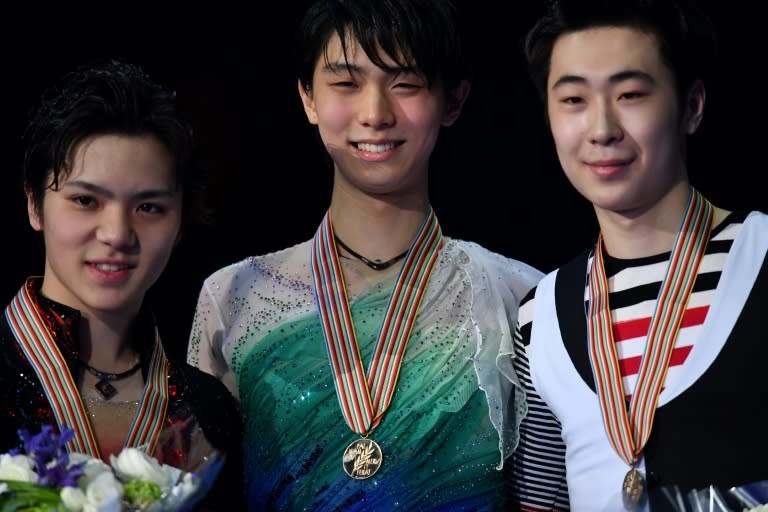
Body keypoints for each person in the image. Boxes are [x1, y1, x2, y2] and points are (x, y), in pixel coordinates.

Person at [186, 0, 543, 509]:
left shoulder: (520, 295)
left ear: (453, 101)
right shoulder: (233, 297)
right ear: (307, 98)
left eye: (405, 84)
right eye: (346, 83)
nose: (375, 113)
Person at [509, 0, 768, 510]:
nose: (601, 128)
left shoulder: (760, 255)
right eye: (573, 100)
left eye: (630, 94)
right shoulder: (540, 313)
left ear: (691, 105)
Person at [0, 59, 246, 510]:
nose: (116, 234)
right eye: (86, 200)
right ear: (34, 205)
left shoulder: (209, 413)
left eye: (148, 207)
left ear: (180, 223)